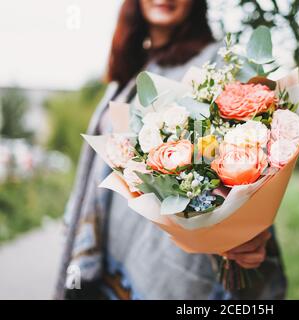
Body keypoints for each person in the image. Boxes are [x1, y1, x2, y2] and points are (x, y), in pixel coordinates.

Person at [55, 0, 287, 300]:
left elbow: (249, 156)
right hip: (112, 251)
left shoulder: (217, 63)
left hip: (179, 264)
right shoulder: (132, 68)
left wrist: (243, 234)